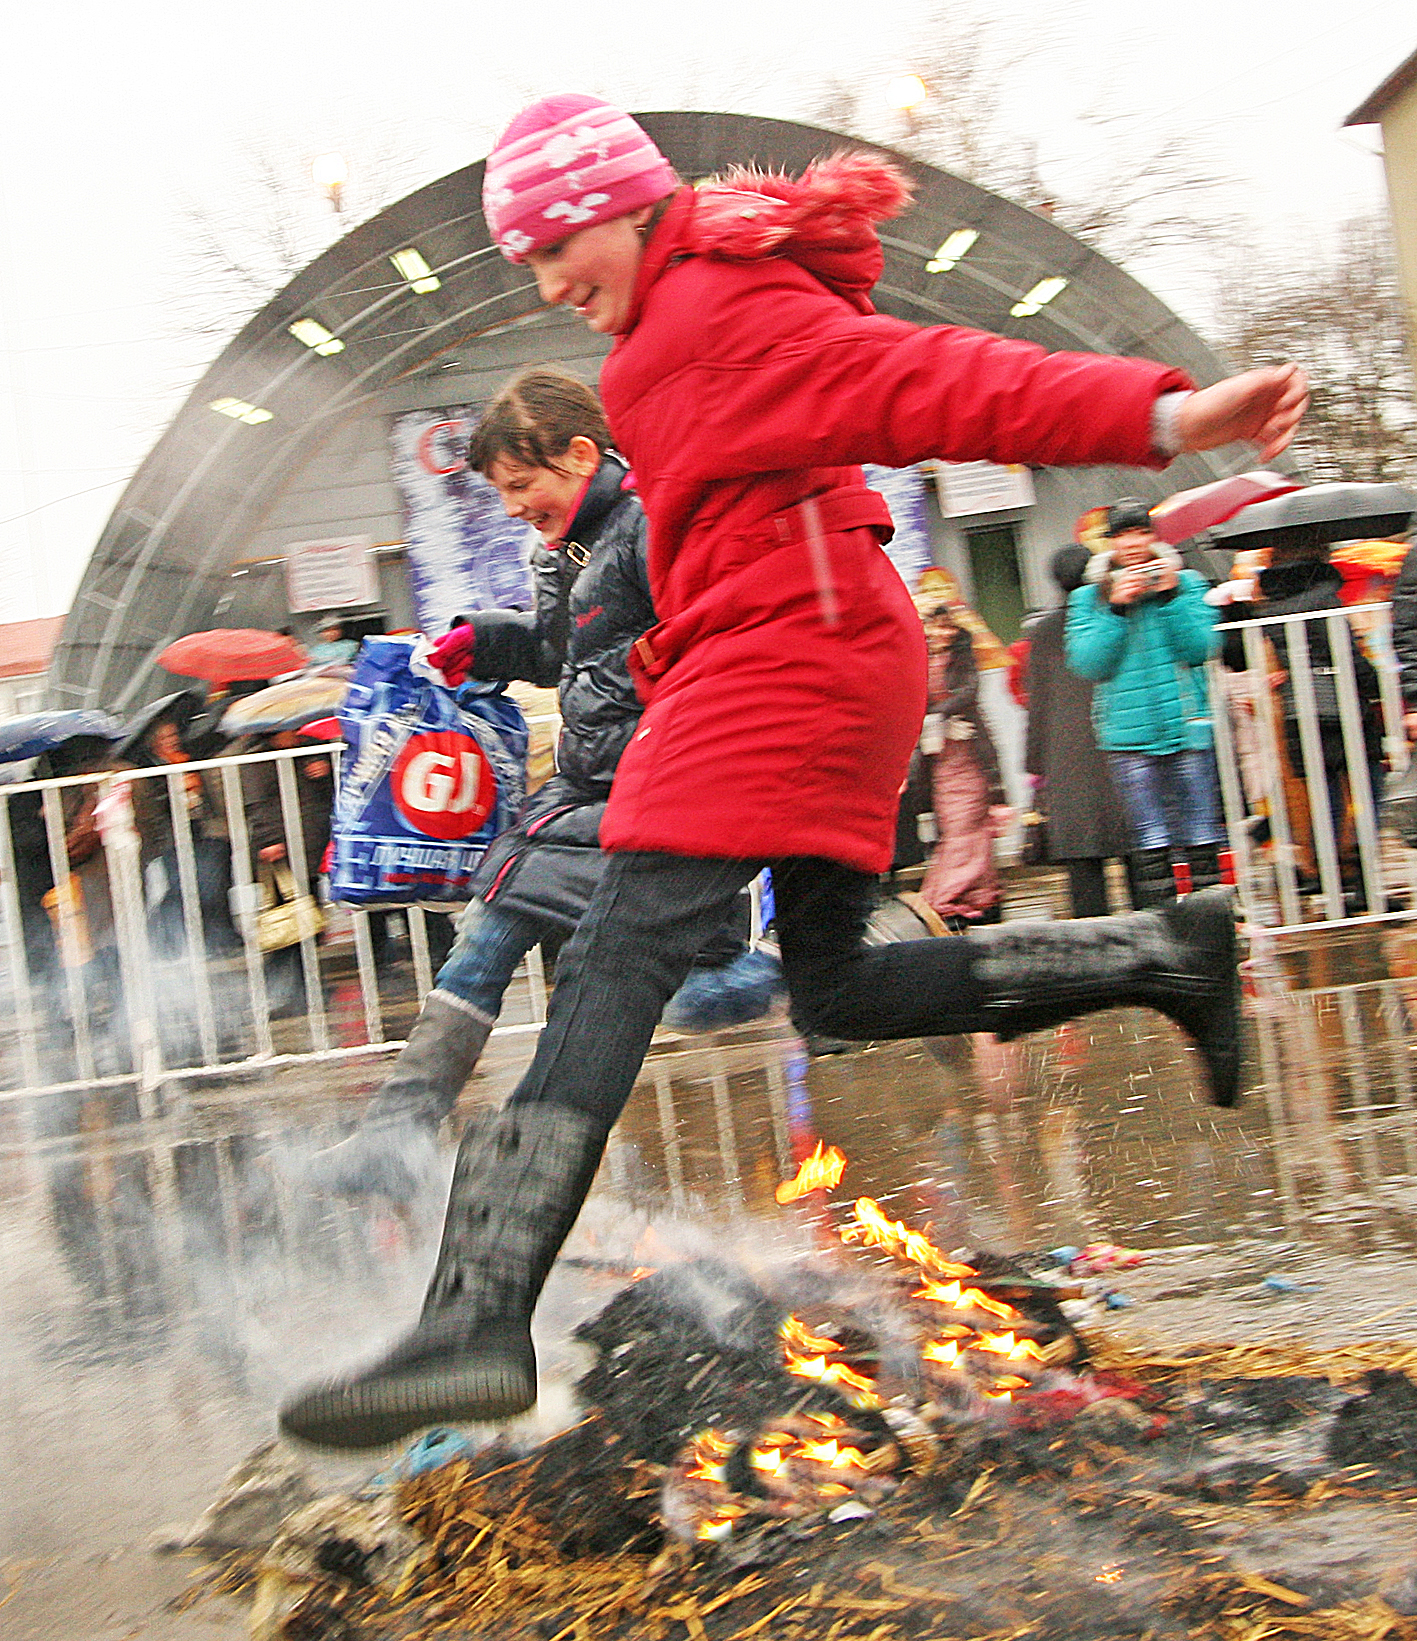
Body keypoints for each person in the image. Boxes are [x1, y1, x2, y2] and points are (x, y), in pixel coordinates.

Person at [279, 95, 1306, 1449]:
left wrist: (1162, 414)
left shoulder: (714, 309)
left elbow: (929, 378)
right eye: (524, 260)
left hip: (789, 657)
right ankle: (1166, 951)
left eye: (551, 245)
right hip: (798, 646)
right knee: (839, 981)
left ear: (620, 204)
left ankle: (474, 1320)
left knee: (615, 956)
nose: (546, 283)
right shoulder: (676, 321)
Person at [306, 366, 777, 1201]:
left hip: (666, 793)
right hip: (586, 788)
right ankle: (399, 1132)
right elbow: (560, 652)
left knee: (694, 1000)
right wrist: (485, 643)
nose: (516, 506)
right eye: (502, 494)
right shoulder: (558, 552)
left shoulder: (654, 526)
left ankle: (825, 958)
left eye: (523, 485)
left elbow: (714, 640)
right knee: (492, 915)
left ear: (580, 454)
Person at [1065, 499, 1225, 908]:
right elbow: (1087, 663)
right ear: (1110, 542)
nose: (1132, 544)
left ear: (1153, 536)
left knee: (1202, 830)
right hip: (1128, 733)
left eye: (1139, 532)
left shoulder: (1185, 582)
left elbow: (1202, 647)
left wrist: (1171, 598)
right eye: (1122, 535)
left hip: (1188, 724)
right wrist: (1115, 609)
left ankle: (1212, 921)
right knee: (1149, 835)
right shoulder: (1090, 597)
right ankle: (1164, 924)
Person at [1024, 546, 1132, 917]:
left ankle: (1095, 951)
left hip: (1066, 757)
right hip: (1118, 742)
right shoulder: (1116, 616)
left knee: (1083, 867)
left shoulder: (1044, 632)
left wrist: (1035, 764)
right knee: (1138, 857)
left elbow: (1037, 703)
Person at [914, 580, 1010, 929]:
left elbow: (969, 692)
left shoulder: (964, 658)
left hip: (969, 757)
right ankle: (960, 900)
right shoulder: (916, 659)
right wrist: (932, 722)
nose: (940, 632)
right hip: (938, 762)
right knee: (954, 830)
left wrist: (940, 716)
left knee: (969, 828)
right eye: (933, 624)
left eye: (945, 624)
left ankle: (950, 898)